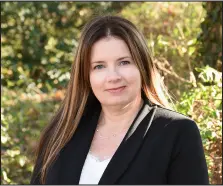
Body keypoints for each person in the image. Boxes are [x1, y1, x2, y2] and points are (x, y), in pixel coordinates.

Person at [30, 15, 209, 184]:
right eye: (99, 66)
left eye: (124, 62)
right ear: (86, 76)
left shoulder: (177, 132)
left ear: (142, 66)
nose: (113, 76)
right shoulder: (62, 133)